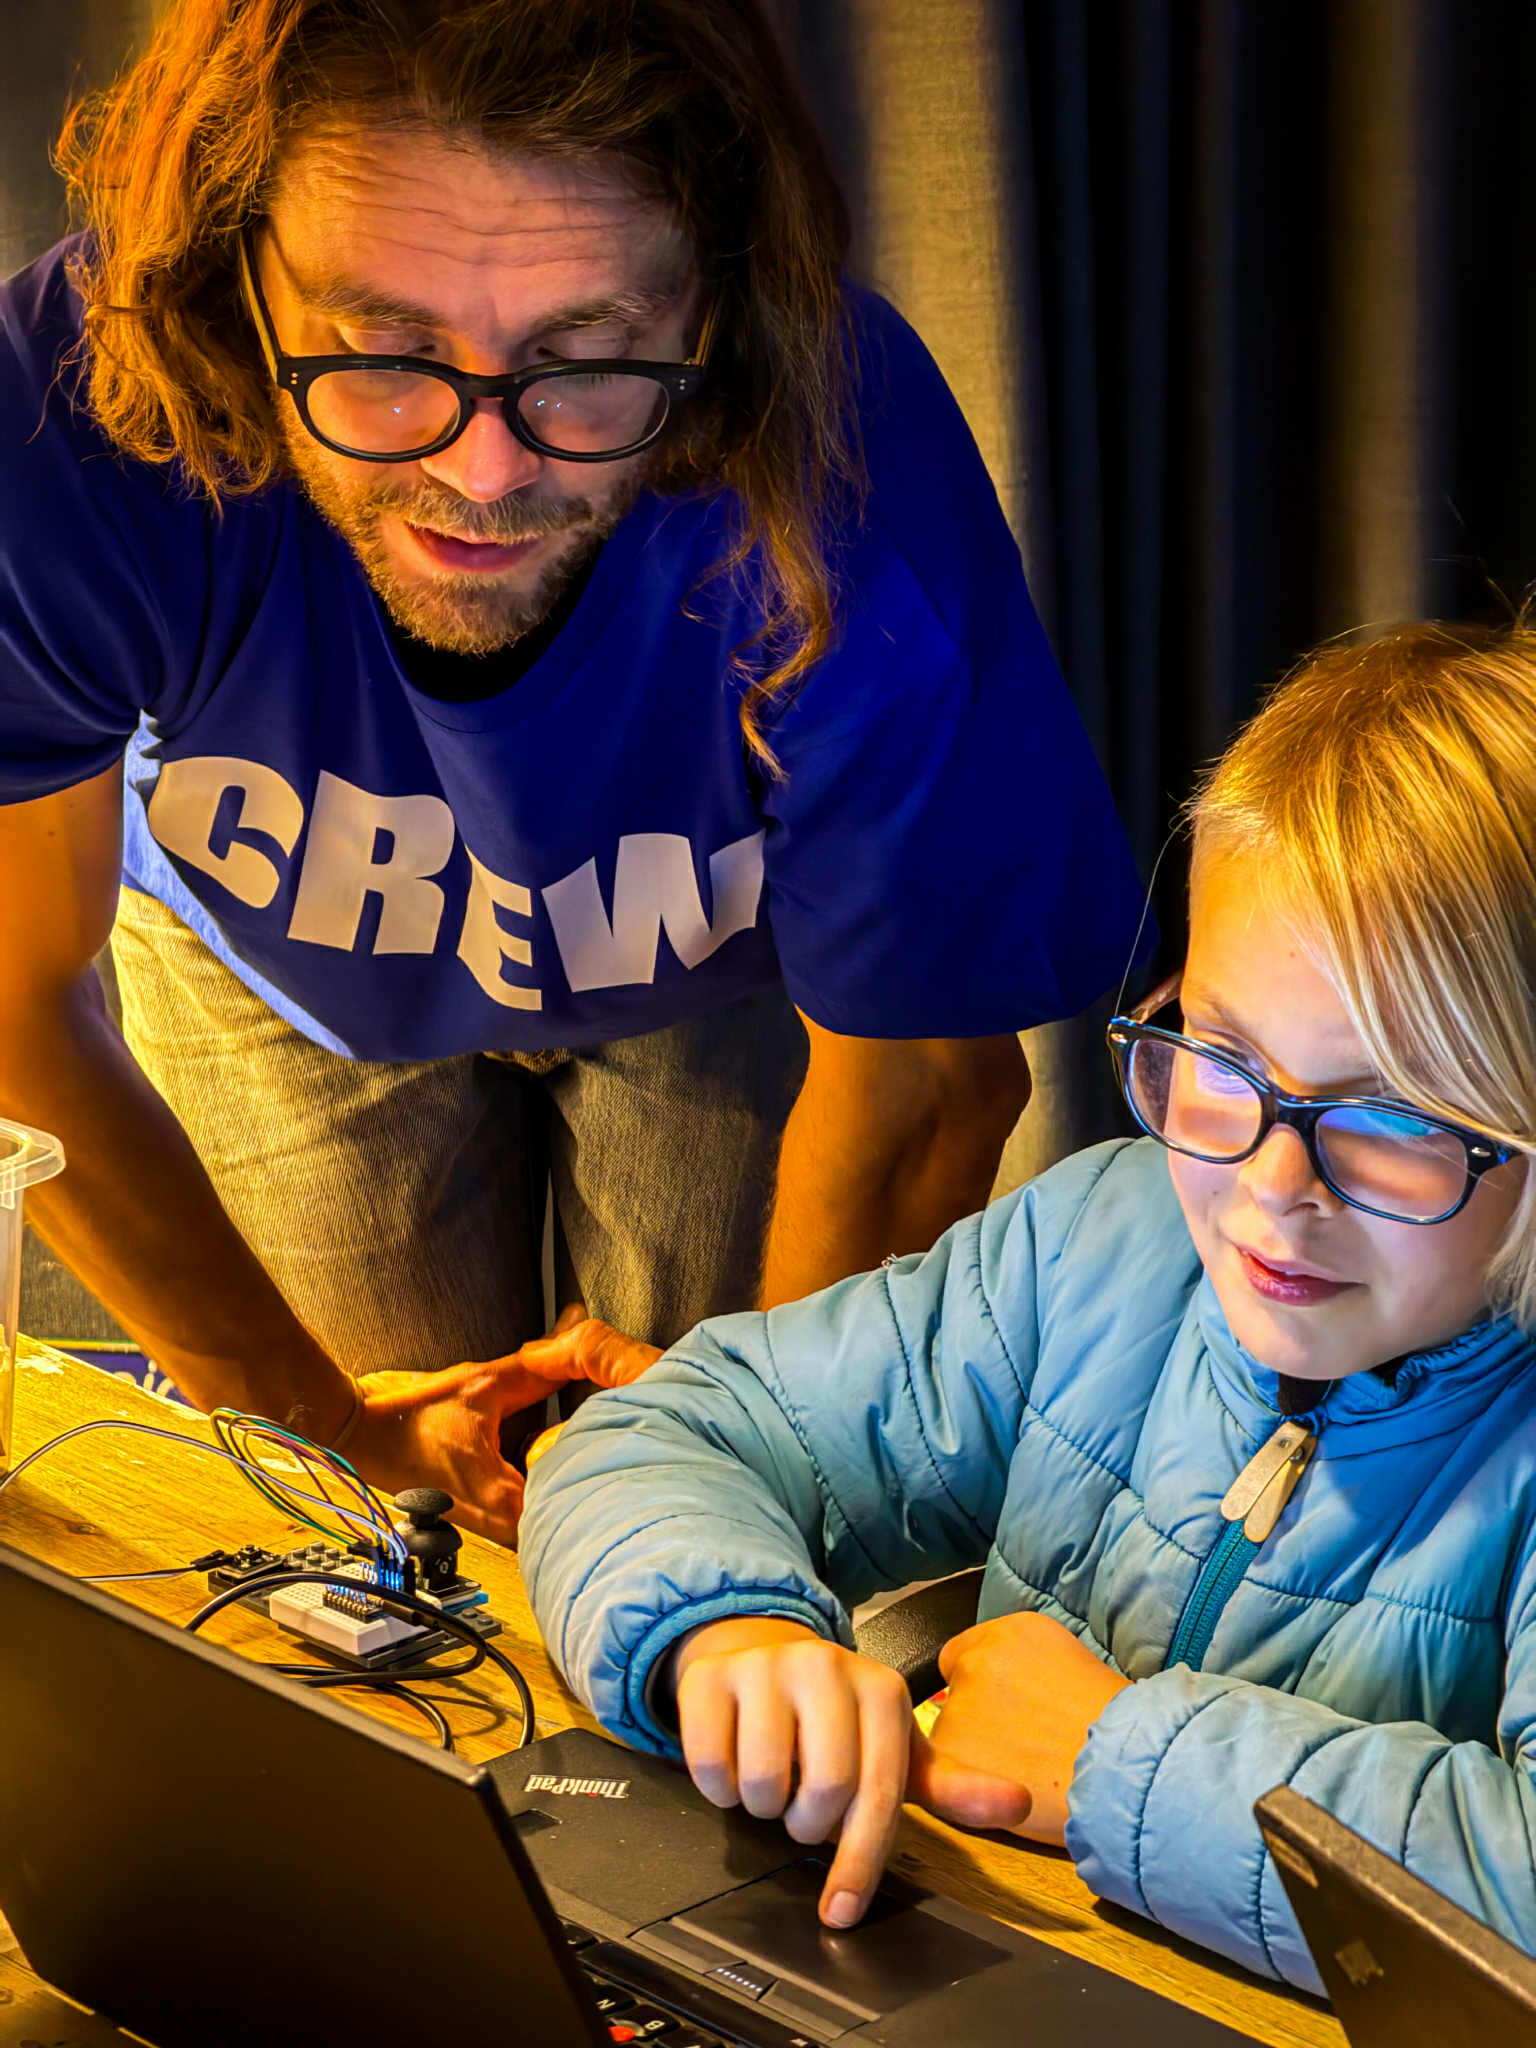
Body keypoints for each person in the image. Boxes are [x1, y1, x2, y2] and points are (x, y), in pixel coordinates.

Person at [0, 0, 1144, 1541]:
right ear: (230, 277)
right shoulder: (72, 412)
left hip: (721, 960)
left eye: (587, 360)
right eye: (384, 355)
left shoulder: (847, 452)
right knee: (350, 1544)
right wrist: (314, 1416)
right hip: (268, 959)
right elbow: (12, 1006)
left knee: (713, 1528)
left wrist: (743, 1504)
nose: (483, 473)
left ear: (718, 311)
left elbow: (926, 1081)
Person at [521, 620, 1536, 1993]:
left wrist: (1113, 1758)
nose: (1270, 1183)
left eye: (1391, 1114)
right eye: (1223, 1058)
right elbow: (676, 1431)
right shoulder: (1100, 1243)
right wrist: (728, 1628)